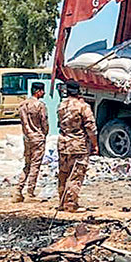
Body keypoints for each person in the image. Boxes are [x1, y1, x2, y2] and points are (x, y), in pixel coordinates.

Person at [56, 81, 97, 213]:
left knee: (63, 173)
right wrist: (95, 144)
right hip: (78, 145)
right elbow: (90, 128)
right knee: (76, 175)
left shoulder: (61, 106)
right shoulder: (83, 106)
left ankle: (62, 202)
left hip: (63, 144)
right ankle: (71, 204)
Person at [14, 81, 49, 203]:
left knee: (27, 165)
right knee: (35, 165)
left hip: (27, 137)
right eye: (42, 91)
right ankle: (30, 193)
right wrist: (44, 133)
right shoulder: (40, 105)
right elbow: (44, 121)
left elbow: (23, 122)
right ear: (38, 91)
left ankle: (18, 191)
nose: (43, 93)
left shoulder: (23, 104)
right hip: (37, 137)